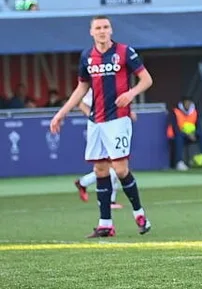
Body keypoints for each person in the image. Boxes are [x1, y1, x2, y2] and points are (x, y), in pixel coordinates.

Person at [50, 15, 154, 238]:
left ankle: (139, 213)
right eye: (98, 27)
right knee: (100, 170)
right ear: (91, 32)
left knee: (120, 169)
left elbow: (146, 79)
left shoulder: (125, 52)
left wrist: (131, 93)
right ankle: (105, 223)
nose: (102, 31)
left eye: (106, 27)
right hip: (96, 121)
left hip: (118, 119)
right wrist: (61, 114)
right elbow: (81, 89)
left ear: (111, 30)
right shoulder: (87, 56)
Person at [73, 88, 123, 210]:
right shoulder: (94, 86)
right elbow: (80, 103)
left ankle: (83, 183)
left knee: (116, 166)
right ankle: (109, 201)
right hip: (100, 129)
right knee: (110, 166)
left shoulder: (115, 81)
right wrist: (94, 117)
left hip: (113, 126)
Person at [167, 96, 202, 171]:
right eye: (186, 103)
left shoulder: (194, 112)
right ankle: (179, 162)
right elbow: (175, 128)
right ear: (183, 103)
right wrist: (187, 134)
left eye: (189, 103)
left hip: (192, 135)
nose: (188, 104)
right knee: (178, 138)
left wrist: (194, 133)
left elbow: (198, 126)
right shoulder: (175, 112)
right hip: (179, 135)